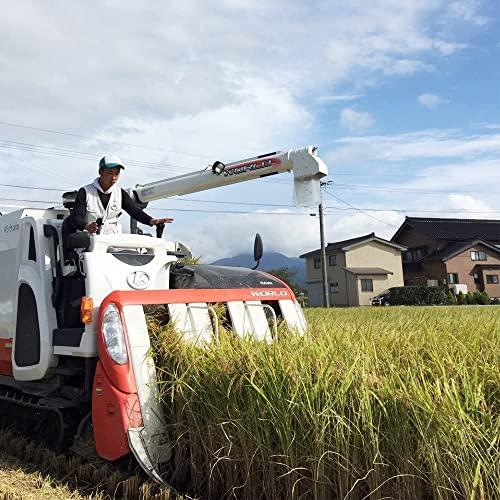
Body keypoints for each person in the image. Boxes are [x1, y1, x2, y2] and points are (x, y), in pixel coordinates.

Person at [65, 154, 173, 236]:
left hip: (112, 243)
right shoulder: (85, 192)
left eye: (117, 173)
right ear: (100, 172)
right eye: (110, 173)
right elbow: (77, 216)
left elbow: (134, 211)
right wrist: (86, 226)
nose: (114, 177)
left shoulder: (120, 193)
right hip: (89, 244)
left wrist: (153, 221)